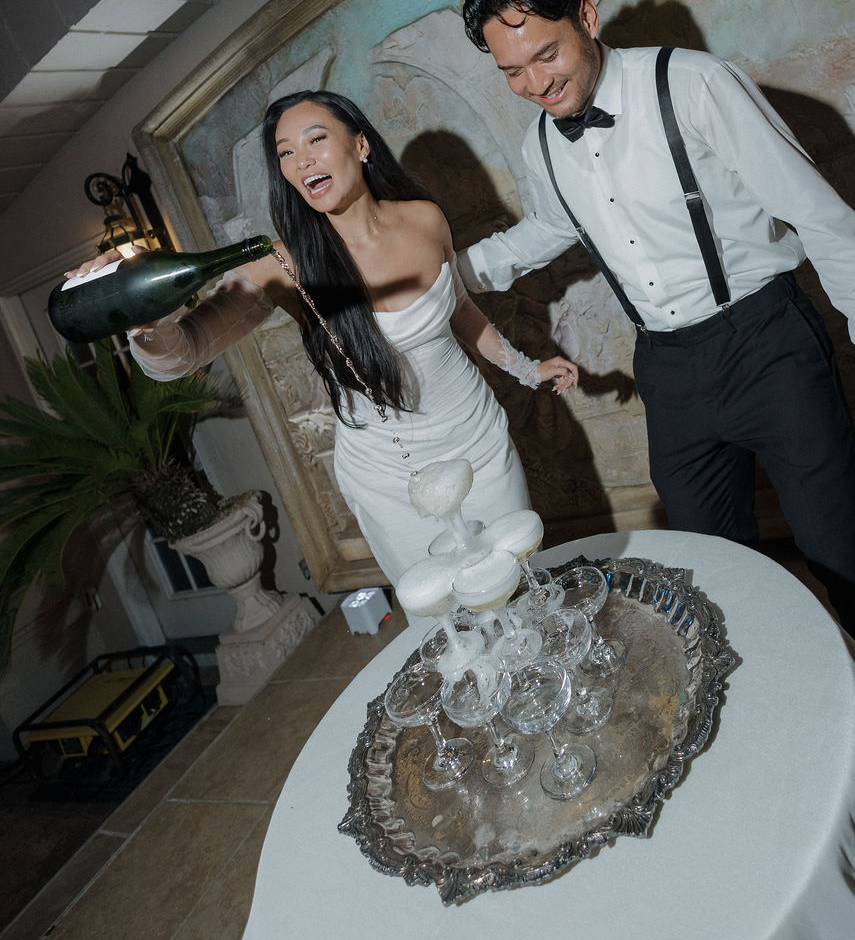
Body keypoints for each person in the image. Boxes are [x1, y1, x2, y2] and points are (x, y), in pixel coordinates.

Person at [458, 0, 855, 748]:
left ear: (586, 15)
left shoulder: (694, 85)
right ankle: (764, 736)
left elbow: (820, 215)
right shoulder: (543, 142)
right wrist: (449, 276)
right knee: (710, 576)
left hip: (766, 340)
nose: (535, 84)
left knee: (844, 556)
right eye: (512, 71)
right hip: (670, 370)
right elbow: (548, 227)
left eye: (545, 55)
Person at [67, 91, 576, 584]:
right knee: (450, 617)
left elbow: (461, 310)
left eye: (314, 140)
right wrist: (142, 321)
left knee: (517, 578)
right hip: (389, 477)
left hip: (477, 440)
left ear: (360, 144)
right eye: (285, 153)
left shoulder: (425, 218)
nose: (301, 161)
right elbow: (182, 354)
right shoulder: (283, 265)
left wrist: (527, 368)